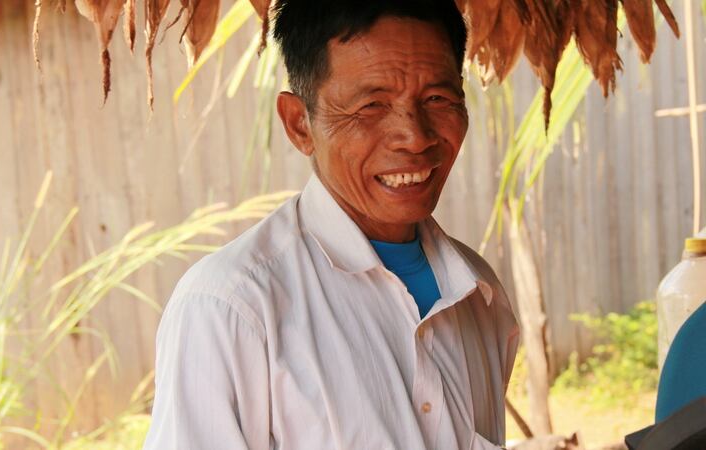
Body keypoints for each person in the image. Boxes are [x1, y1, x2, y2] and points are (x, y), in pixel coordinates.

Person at [143, 1, 519, 448]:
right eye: (371, 105)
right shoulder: (233, 307)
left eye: (437, 98)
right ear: (299, 124)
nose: (415, 136)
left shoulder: (480, 295)